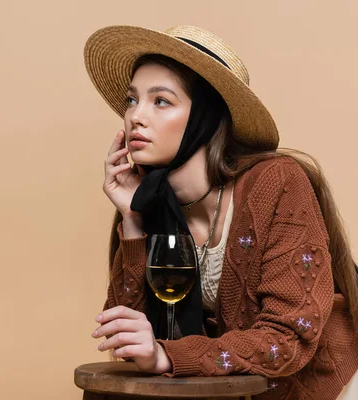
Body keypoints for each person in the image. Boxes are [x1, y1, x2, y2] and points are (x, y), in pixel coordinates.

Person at [83, 25, 358, 399]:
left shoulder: (277, 183)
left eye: (160, 101)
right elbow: (125, 341)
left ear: (206, 117)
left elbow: (288, 338)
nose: (135, 117)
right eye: (133, 100)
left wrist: (167, 354)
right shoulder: (148, 203)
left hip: (326, 387)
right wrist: (132, 222)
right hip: (234, 388)